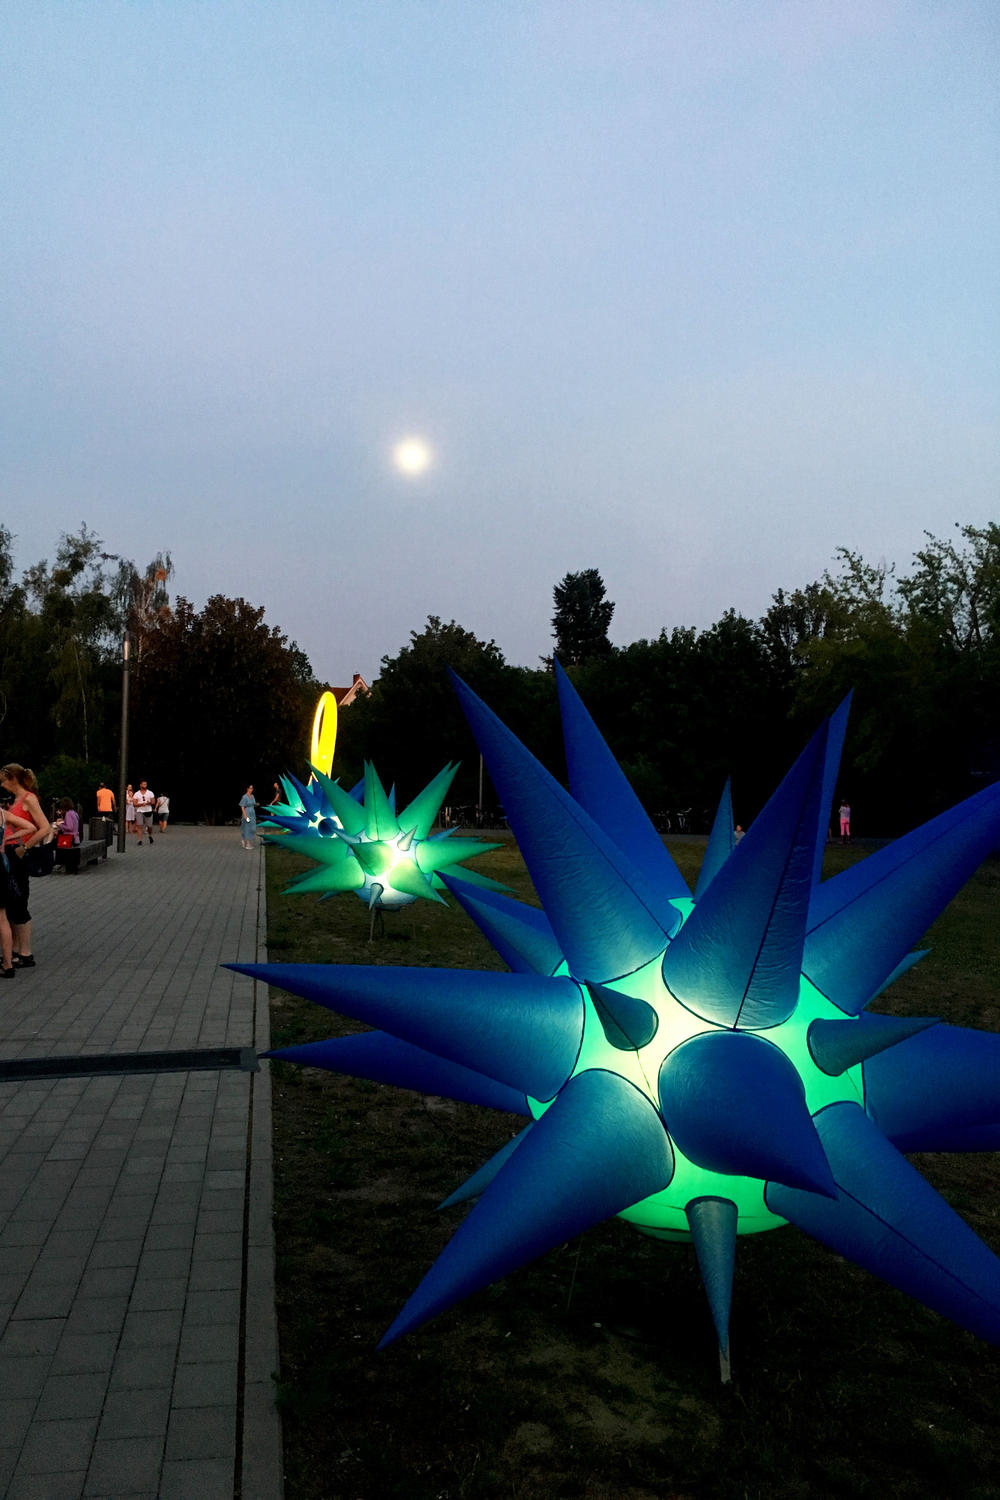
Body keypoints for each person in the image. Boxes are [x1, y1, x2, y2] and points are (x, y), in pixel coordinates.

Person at [0, 763, 53, 970]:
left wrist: (24, 847)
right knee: (12, 902)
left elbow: (45, 827)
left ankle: (25, 952)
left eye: (3, 781)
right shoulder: (15, 800)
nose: (2, 785)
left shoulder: (29, 799)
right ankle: (14, 950)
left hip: (18, 854)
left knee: (19, 901)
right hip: (9, 853)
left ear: (12, 779)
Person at [0, 801, 38, 977]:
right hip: (1, 866)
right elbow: (30, 827)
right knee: (2, 917)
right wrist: (6, 838)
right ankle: (8, 964)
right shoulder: (3, 814)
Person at [53, 797, 82, 874]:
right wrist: (63, 823)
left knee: (53, 844)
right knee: (56, 842)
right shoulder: (74, 813)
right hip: (76, 839)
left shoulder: (68, 814)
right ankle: (63, 864)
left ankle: (59, 863)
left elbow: (70, 827)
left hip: (70, 839)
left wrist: (59, 825)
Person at [133, 780, 155, 845]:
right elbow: (134, 804)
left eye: (146, 784)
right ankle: (140, 840)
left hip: (148, 811)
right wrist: (141, 804)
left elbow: (153, 802)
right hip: (139, 811)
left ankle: (150, 835)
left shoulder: (150, 793)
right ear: (140, 785)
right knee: (139, 826)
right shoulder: (136, 793)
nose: (145, 785)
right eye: (144, 784)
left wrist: (148, 803)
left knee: (149, 826)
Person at [239, 785, 257, 850]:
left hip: (252, 813)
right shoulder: (244, 797)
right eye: (250, 788)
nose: (251, 789)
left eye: (252, 788)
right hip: (247, 813)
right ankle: (247, 844)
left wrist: (256, 804)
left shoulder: (252, 796)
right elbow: (242, 806)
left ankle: (243, 840)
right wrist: (245, 816)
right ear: (247, 788)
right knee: (247, 828)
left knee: (253, 828)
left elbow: (254, 804)